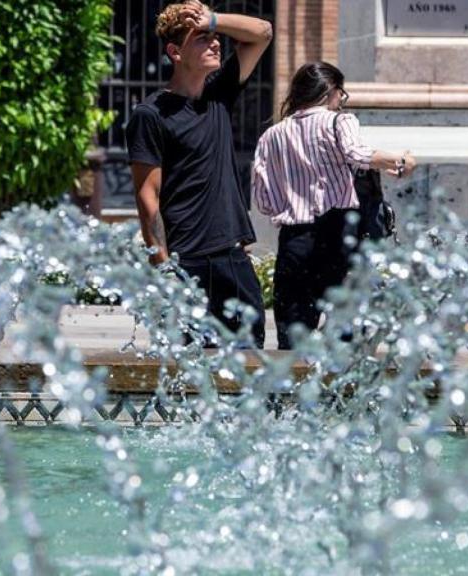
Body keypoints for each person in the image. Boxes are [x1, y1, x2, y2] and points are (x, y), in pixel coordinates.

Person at [127, 1, 272, 348]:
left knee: (250, 366)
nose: (216, 42)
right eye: (202, 38)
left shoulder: (219, 94)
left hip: (233, 259)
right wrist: (165, 271)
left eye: (214, 36)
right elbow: (148, 199)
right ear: (175, 52)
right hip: (185, 264)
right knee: (187, 371)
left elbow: (263, 33)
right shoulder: (151, 115)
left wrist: (214, 20)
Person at [252, 62, 417, 349]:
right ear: (330, 89)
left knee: (292, 345)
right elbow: (356, 153)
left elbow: (265, 201)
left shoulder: (271, 136)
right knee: (345, 343)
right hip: (338, 238)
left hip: (293, 243)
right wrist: (401, 161)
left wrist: (297, 195)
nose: (341, 100)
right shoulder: (339, 121)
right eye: (341, 94)